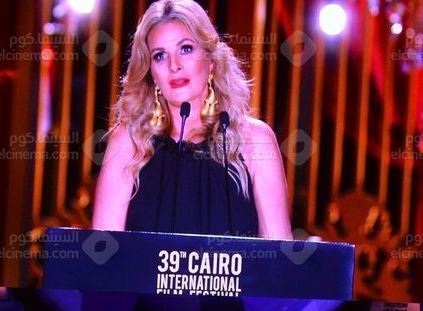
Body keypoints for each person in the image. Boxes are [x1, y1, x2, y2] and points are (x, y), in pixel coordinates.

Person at [92, 0, 292, 240]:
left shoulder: (255, 140)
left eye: (186, 49)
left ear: (211, 61)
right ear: (151, 72)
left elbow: (279, 256)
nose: (174, 66)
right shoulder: (129, 141)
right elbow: (103, 252)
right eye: (160, 56)